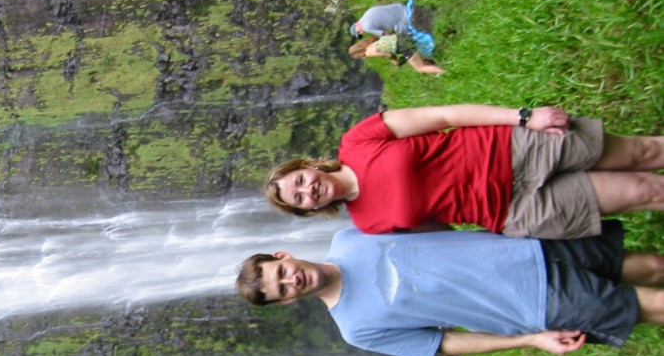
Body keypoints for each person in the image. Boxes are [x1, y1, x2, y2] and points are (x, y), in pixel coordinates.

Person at [235, 222, 664, 356]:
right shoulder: (356, 329)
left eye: (282, 271)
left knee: (651, 266)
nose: (292, 280)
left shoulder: (351, 235)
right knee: (655, 306)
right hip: (535, 302)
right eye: (282, 289)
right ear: (287, 302)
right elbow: (447, 342)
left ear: (283, 254)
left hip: (528, 245)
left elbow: (430, 219)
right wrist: (531, 338)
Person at [264, 104, 664, 238]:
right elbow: (444, 239)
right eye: (299, 200)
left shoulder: (358, 141)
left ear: (307, 166)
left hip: (512, 150)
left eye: (299, 181)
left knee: (642, 152)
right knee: (646, 193)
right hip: (516, 211)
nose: (308, 190)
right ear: (310, 211)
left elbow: (443, 115)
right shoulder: (369, 224)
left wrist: (524, 117)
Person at [348, 35, 444, 75]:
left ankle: (444, 72)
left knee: (420, 68)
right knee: (421, 58)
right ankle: (436, 63)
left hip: (402, 46)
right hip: (402, 37)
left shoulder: (368, 52)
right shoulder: (371, 42)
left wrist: (395, 61)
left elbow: (387, 53)